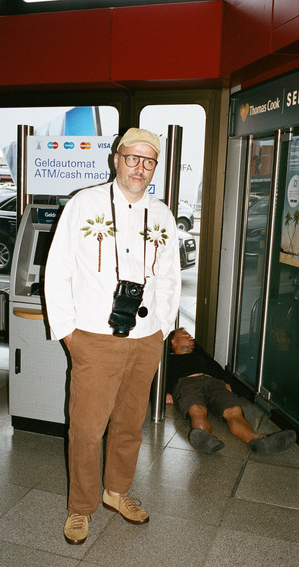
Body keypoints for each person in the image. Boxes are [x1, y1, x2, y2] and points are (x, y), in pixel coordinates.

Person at [44, 128, 181, 545]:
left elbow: (170, 277)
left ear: (155, 167)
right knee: (87, 429)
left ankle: (116, 492)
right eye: (132, 158)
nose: (140, 168)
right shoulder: (84, 204)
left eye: (148, 161)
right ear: (116, 159)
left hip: (145, 337)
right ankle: (80, 507)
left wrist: (162, 329)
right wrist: (68, 332)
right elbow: (58, 268)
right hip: (94, 336)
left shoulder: (162, 215)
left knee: (129, 424)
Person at [165, 327, 296, 455]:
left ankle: (255, 440)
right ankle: (204, 438)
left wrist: (229, 384)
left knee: (234, 411)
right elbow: (157, 377)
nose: (191, 337)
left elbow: (218, 370)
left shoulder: (201, 356)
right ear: (173, 341)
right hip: (187, 383)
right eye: (185, 335)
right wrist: (165, 393)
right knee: (197, 410)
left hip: (214, 383)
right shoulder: (168, 360)